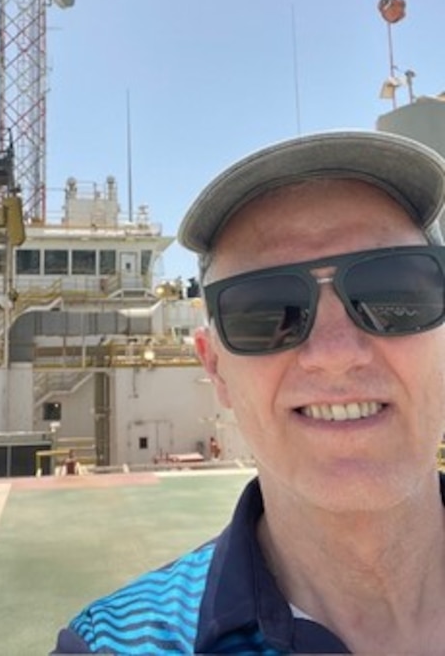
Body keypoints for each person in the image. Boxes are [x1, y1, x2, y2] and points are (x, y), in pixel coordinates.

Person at [52, 129, 445, 655]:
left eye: (394, 292)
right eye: (264, 311)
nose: (335, 352)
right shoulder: (116, 644)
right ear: (215, 368)